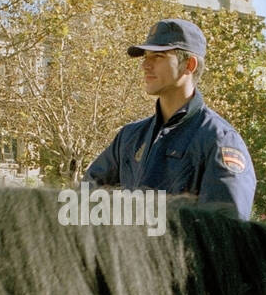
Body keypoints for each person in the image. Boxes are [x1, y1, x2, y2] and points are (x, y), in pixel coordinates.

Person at [85, 19, 256, 220]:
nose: (145, 65)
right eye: (146, 56)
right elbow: (85, 198)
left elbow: (224, 234)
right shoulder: (129, 136)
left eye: (158, 56)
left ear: (189, 65)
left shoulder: (219, 140)